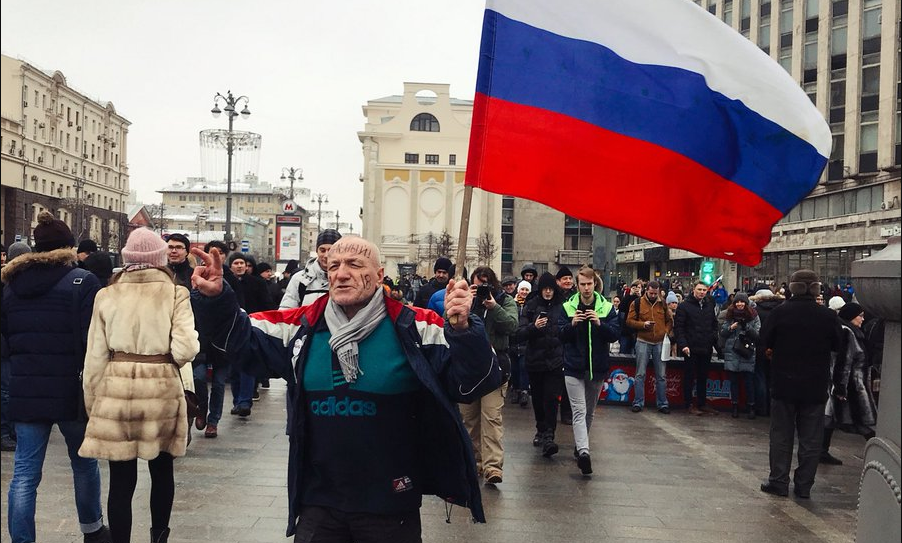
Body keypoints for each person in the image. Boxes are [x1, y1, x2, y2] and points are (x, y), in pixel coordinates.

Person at [189, 236, 499, 540]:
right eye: (334, 265)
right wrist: (217, 299)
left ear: (379, 276)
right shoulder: (303, 327)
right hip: (319, 500)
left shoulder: (418, 327)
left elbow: (474, 381)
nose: (341, 273)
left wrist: (463, 330)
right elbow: (242, 341)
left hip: (391, 501)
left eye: (354, 264)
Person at [78, 228, 200, 543]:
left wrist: (94, 403)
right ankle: (159, 538)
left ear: (128, 259)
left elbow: (94, 357)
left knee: (120, 481)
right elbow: (186, 350)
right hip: (160, 390)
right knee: (162, 472)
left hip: (116, 391)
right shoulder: (176, 293)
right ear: (160, 258)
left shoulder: (106, 295)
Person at [2, 211, 112, 543]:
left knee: (24, 473)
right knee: (84, 463)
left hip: (26, 387)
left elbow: (5, 338)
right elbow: (90, 340)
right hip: (71, 388)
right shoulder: (82, 281)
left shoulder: (10, 286)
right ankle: (92, 530)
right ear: (68, 247)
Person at [760, 269, 841, 499]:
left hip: (784, 383)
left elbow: (763, 342)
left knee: (781, 435)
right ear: (816, 288)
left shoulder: (780, 313)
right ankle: (804, 485)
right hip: (815, 385)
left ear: (792, 288)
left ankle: (778, 481)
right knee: (811, 438)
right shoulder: (828, 316)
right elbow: (838, 346)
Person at [461, 266, 519, 485]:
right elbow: (450, 322)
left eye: (485, 285)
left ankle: (493, 467)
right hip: (468, 368)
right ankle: (474, 463)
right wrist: (467, 302)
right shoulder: (467, 299)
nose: (481, 290)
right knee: (469, 419)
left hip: (495, 367)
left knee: (491, 417)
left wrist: (493, 307)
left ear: (493, 284)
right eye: (477, 285)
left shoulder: (504, 301)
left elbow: (512, 326)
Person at [558, 266, 619, 475]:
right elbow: (559, 334)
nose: (586, 288)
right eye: (582, 284)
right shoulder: (567, 306)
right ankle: (584, 452)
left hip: (597, 367)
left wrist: (599, 324)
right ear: (577, 285)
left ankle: (580, 444)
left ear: (595, 284)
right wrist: (572, 324)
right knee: (579, 410)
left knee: (589, 412)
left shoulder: (606, 307)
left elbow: (615, 334)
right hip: (573, 367)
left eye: (589, 284)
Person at [821, 303, 877, 465]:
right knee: (865, 420)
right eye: (860, 315)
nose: (863, 318)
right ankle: (879, 453)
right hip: (852, 384)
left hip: (848, 382)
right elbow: (844, 361)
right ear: (852, 316)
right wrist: (840, 387)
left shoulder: (850, 331)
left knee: (830, 416)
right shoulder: (847, 332)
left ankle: (821, 450)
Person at [517, 272, 565, 457]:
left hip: (554, 360)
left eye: (550, 289)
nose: (547, 292)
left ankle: (549, 434)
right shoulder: (531, 305)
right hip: (535, 360)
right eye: (545, 289)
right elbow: (519, 333)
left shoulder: (561, 306)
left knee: (551, 398)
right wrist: (533, 327)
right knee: (537, 398)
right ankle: (540, 427)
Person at [625, 280, 673, 414]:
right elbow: (629, 321)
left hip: (659, 342)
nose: (653, 295)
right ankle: (638, 402)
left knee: (661, 375)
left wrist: (666, 332)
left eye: (655, 293)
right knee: (640, 374)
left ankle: (663, 403)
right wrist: (642, 325)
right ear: (647, 290)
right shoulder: (637, 303)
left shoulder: (663, 303)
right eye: (651, 293)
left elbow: (670, 320)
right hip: (643, 341)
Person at [674, 281, 719, 416]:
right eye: (699, 289)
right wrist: (683, 345)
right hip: (690, 348)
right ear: (693, 289)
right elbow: (679, 328)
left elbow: (714, 324)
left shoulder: (709, 305)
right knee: (689, 377)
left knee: (703, 377)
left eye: (704, 290)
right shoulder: (684, 306)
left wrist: (712, 338)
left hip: (706, 347)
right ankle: (688, 403)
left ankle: (702, 403)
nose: (702, 292)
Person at [720, 293, 761, 419]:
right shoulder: (729, 314)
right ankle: (735, 406)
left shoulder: (753, 315)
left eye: (742, 302)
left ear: (746, 303)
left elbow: (757, 334)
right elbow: (722, 332)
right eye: (737, 302)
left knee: (749, 382)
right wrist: (731, 328)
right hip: (732, 352)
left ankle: (751, 406)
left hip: (746, 352)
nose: (740, 304)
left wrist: (746, 326)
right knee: (734, 382)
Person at [281, 229, 342, 309]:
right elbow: (286, 311)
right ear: (317, 251)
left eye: (331, 250)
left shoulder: (348, 278)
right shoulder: (299, 279)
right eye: (322, 250)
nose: (326, 255)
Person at [750, 287, 784, 417]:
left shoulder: (755, 311)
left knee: (759, 377)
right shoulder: (780, 310)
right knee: (773, 378)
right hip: (776, 348)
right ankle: (773, 409)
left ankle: (761, 408)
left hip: (760, 347)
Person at [505, 276, 529, 408]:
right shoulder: (512, 303)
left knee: (523, 366)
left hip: (525, 340)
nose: (524, 292)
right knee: (514, 367)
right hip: (513, 340)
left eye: (526, 290)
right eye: (522, 289)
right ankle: (516, 389)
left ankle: (524, 390)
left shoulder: (530, 304)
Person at [618, 280, 642, 355]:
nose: (636, 289)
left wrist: (640, 296)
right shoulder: (628, 297)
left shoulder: (643, 299)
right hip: (626, 330)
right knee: (623, 352)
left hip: (638, 331)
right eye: (634, 287)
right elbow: (621, 308)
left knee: (637, 353)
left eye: (638, 287)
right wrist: (629, 295)